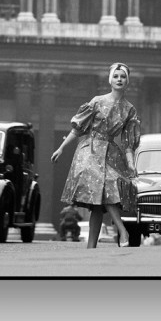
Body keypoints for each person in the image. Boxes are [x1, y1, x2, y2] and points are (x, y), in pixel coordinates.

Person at [51, 62, 140, 248]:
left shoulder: (129, 109)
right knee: (106, 187)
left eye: (123, 77)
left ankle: (91, 247)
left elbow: (128, 144)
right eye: (115, 76)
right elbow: (77, 129)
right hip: (90, 151)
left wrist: (131, 165)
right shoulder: (97, 101)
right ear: (110, 80)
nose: (119, 80)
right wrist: (61, 148)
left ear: (127, 81)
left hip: (110, 152)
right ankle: (122, 230)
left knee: (100, 202)